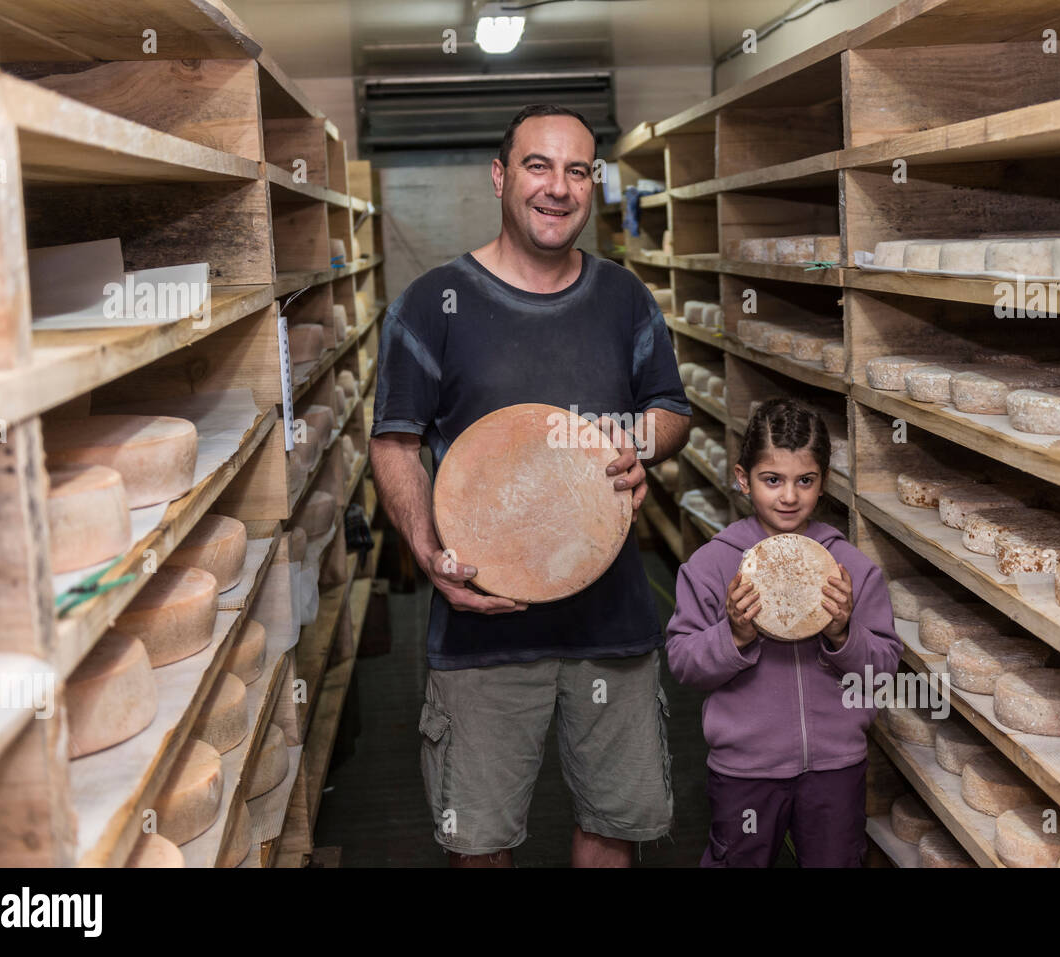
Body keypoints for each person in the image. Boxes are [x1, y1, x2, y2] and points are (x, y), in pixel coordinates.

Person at [369, 103, 692, 867]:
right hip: (484, 622)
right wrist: (426, 550)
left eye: (577, 169)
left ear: (592, 184)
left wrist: (637, 443)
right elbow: (395, 442)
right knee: (478, 839)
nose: (558, 187)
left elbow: (671, 410)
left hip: (611, 622)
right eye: (537, 166)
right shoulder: (431, 303)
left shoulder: (625, 299)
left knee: (613, 825)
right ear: (500, 176)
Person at [665, 398, 902, 867]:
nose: (788, 497)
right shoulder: (713, 565)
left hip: (836, 767)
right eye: (772, 480)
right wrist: (733, 635)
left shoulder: (850, 567)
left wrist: (842, 634)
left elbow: (884, 666)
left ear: (823, 483)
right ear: (742, 478)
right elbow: (682, 662)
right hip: (745, 769)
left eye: (805, 481)